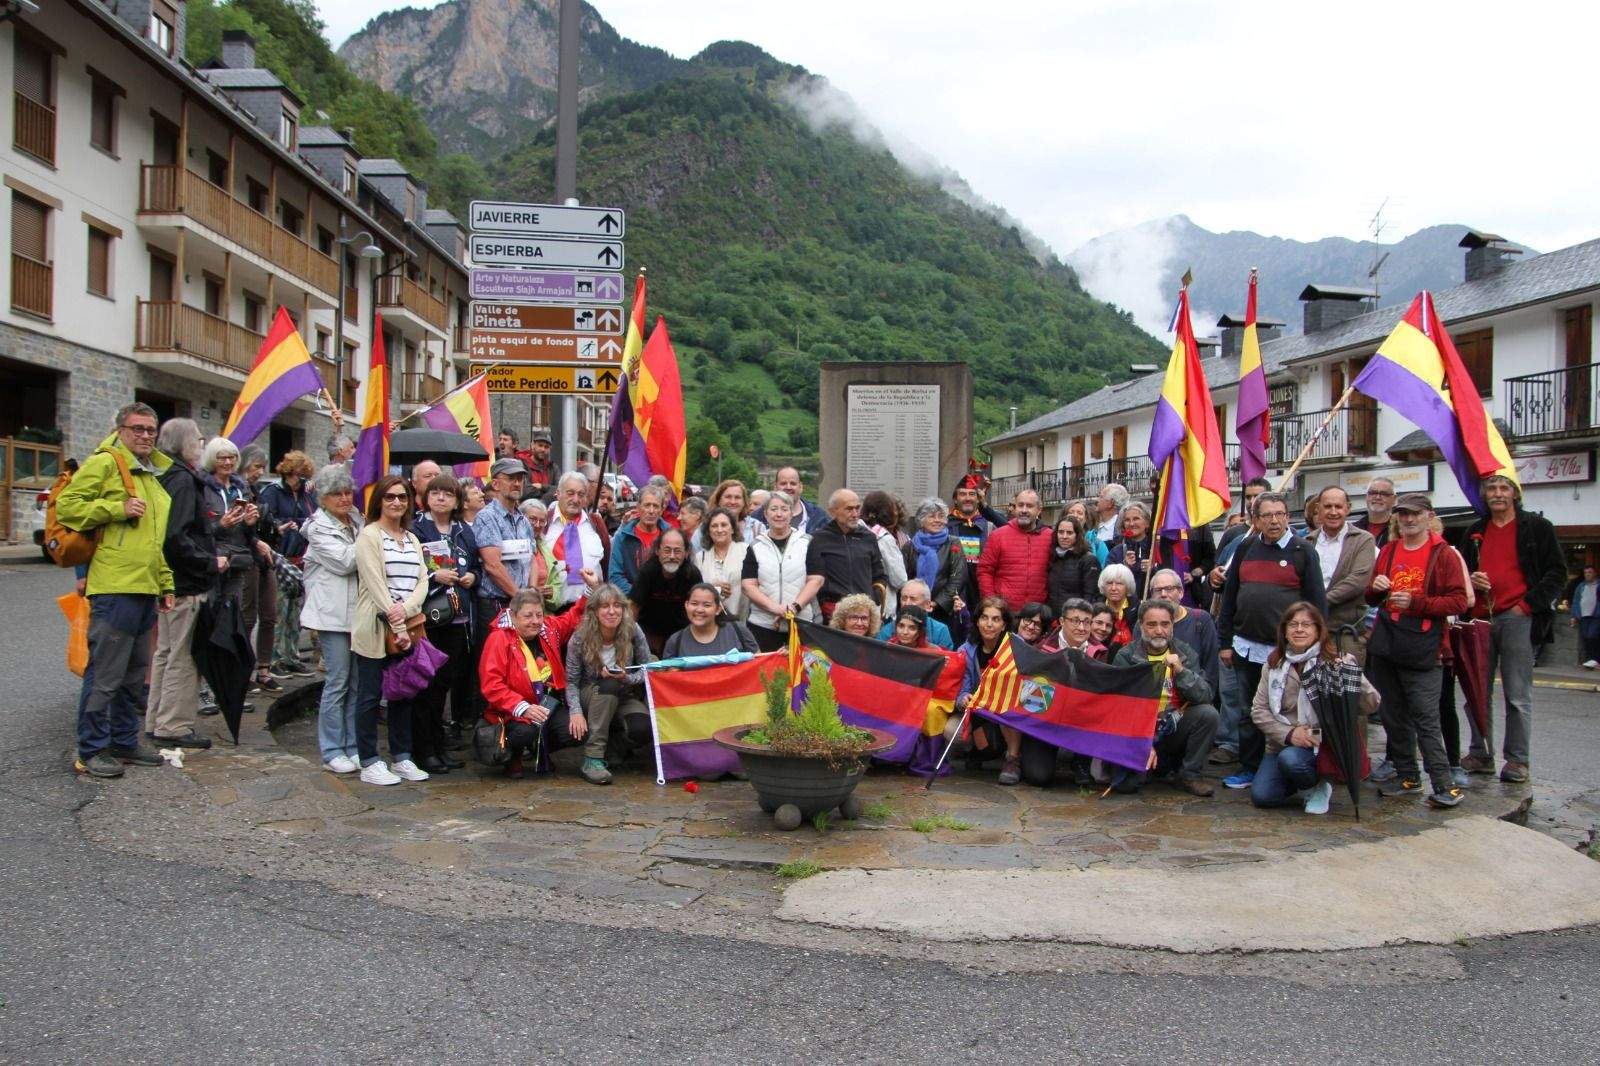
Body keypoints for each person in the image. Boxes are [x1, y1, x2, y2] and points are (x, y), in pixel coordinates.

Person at [59, 402, 174, 778]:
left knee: (132, 675)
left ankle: (124, 742)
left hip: (142, 588)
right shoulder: (107, 462)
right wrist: (116, 508)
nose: (145, 435)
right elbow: (68, 506)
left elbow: (152, 541)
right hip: (114, 587)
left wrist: (165, 583)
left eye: (150, 430)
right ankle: (90, 750)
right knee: (106, 675)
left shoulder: (149, 473)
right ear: (121, 430)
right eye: (137, 429)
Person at [1364, 492, 1469, 807]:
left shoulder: (1443, 553)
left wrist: (1417, 603)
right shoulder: (1389, 551)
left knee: (1425, 718)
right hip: (1388, 641)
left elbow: (1459, 601)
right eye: (1403, 514)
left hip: (1424, 644)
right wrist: (1375, 590)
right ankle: (1408, 778)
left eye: (1414, 514)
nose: (1408, 519)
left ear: (1428, 516)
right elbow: (1370, 597)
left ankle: (1444, 785)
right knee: (1392, 715)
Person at [1459, 474, 1566, 784]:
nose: (1497, 493)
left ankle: (1518, 760)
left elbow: (1557, 572)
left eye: (1504, 488)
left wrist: (1527, 605)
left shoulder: (1536, 527)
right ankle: (1481, 753)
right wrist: (1472, 581)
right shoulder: (1475, 530)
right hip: (1479, 618)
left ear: (1515, 494)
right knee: (1475, 691)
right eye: (1491, 488)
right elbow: (1461, 574)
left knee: (1517, 693)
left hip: (1517, 617)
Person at [1217, 491, 1326, 790]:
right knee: (1247, 711)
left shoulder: (1303, 551)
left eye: (1279, 514)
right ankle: (1250, 767)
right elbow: (1230, 597)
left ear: (1287, 516)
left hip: (1287, 652)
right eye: (1267, 515)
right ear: (1257, 519)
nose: (1274, 520)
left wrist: (1317, 646)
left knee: (1287, 708)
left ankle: (1290, 763)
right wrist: (1225, 641)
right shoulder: (1246, 547)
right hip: (1245, 647)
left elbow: (1316, 603)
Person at [1250, 602, 1379, 813]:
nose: (1299, 629)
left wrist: (1351, 675)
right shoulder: (1274, 664)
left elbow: (1372, 704)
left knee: (1291, 760)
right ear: (1284, 631)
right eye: (1293, 625)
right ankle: (1301, 780)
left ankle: (1319, 784)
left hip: (1322, 740)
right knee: (1264, 796)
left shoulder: (1336, 661)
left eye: (1306, 625)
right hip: (1282, 742)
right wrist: (1290, 734)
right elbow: (1259, 711)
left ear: (1318, 630)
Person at [350, 474, 432, 786]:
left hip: (407, 627)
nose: (396, 502)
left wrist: (407, 611)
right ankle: (369, 759)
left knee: (403, 693)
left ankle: (401, 756)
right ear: (379, 501)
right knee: (370, 695)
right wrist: (395, 619)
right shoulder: (369, 536)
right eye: (390, 497)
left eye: (402, 497)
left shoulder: (411, 539)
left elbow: (423, 580)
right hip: (375, 626)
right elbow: (374, 583)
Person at [145, 419, 215, 751]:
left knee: (165, 652)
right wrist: (209, 560)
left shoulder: (165, 475)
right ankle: (173, 725)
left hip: (169, 580)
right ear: (186, 443)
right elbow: (177, 535)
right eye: (199, 440)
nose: (202, 445)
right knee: (183, 655)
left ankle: (156, 719)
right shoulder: (185, 480)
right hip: (185, 581)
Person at [478, 585, 592, 778]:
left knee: (577, 731)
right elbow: (492, 685)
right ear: (513, 616)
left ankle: (539, 749)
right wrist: (523, 707)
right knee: (525, 731)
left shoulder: (548, 629)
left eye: (539, 615)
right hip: (510, 713)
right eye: (528, 616)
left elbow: (572, 618)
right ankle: (513, 754)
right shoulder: (499, 638)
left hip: (548, 704)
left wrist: (590, 589)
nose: (535, 621)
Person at [411, 471, 481, 775]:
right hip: (429, 617)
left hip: (458, 618)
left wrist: (472, 577)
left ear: (456, 501)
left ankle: (439, 748)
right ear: (427, 497)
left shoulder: (464, 531)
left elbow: (476, 566)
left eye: (448, 494)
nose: (441, 498)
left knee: (445, 685)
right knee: (426, 686)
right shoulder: (417, 529)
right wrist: (432, 576)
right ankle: (423, 749)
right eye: (436, 493)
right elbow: (407, 570)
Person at [1112, 600, 1218, 797]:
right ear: (1141, 626)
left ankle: (1190, 775)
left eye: (1165, 624)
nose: (1159, 630)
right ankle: (1150, 765)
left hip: (1173, 725)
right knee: (1126, 786)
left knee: (1208, 714)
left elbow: (1205, 695)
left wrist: (1181, 671)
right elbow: (1119, 708)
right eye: (1152, 625)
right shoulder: (1126, 656)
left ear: (1172, 626)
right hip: (1138, 730)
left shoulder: (1185, 653)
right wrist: (1143, 741)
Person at [300, 465, 363, 774]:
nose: (343, 498)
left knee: (355, 682)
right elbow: (345, 562)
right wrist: (372, 544)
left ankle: (352, 745)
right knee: (337, 681)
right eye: (336, 494)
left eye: (347, 492)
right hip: (332, 614)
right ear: (323, 498)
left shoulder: (357, 520)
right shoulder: (317, 527)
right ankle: (331, 748)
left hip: (358, 614)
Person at [564, 584, 654, 784]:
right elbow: (571, 682)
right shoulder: (580, 637)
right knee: (608, 686)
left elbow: (648, 669)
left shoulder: (632, 630)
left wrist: (627, 678)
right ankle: (592, 758)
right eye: (605, 606)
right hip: (591, 693)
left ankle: (613, 748)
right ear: (594, 611)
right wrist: (575, 712)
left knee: (642, 728)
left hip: (624, 693)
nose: (612, 611)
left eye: (617, 606)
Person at [742, 490, 823, 652]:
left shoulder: (807, 542)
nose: (779, 514)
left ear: (792, 513)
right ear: (765, 514)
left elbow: (816, 580)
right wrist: (776, 608)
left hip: (801, 624)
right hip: (762, 625)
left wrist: (794, 607)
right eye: (773, 509)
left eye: (784, 509)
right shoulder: (755, 545)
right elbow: (748, 585)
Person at [259, 451, 316, 678]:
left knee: (296, 613)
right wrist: (281, 526)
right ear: (288, 473)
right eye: (296, 476)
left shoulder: (306, 494)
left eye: (302, 477)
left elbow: (314, 517)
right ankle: (273, 659)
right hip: (279, 558)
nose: (299, 481)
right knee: (278, 613)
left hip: (300, 558)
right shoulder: (272, 492)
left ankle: (291, 657)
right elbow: (265, 521)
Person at [473, 458, 537, 661]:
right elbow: (492, 565)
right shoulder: (487, 517)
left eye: (520, 478)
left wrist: (532, 592)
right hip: (495, 605)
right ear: (496, 483)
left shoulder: (523, 520)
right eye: (511, 478)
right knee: (495, 663)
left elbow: (532, 558)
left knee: (520, 662)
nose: (517, 483)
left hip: (520, 603)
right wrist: (520, 597)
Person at [954, 597, 1022, 784]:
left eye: (996, 619)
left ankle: (1012, 759)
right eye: (984, 618)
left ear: (1004, 624)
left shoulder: (1016, 647)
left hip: (1009, 709)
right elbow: (962, 689)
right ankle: (979, 752)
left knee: (1005, 706)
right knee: (953, 733)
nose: (989, 624)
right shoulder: (967, 650)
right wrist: (963, 698)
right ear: (977, 621)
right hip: (980, 711)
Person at [1310, 487, 1376, 658]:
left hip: (1345, 632)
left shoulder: (1363, 540)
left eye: (1338, 507)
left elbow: (1357, 581)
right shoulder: (1307, 541)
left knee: (1347, 684)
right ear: (1318, 508)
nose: (1333, 512)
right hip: (1311, 630)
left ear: (1348, 508)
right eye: (1328, 506)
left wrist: (1319, 602)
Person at [806, 489, 887, 618]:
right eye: (849, 509)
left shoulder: (868, 538)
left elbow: (880, 575)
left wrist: (873, 598)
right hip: (833, 614)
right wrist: (825, 604)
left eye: (857, 508)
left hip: (864, 613)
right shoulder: (818, 539)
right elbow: (813, 578)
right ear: (833, 511)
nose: (855, 514)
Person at [238, 445, 279, 694]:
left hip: (265, 558)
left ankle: (264, 668)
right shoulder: (238, 491)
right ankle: (244, 671)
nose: (259, 472)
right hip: (248, 557)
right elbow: (238, 528)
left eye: (262, 467)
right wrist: (255, 541)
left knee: (269, 614)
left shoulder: (256, 491)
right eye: (256, 467)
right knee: (248, 614)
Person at [201, 437, 260, 608]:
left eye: (232, 457)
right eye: (222, 458)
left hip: (238, 560)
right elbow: (197, 530)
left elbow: (249, 534)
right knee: (211, 616)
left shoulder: (242, 488)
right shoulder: (202, 487)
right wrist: (221, 525)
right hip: (213, 561)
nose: (228, 462)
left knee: (233, 617)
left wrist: (250, 523)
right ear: (212, 459)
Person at [1146, 568, 1220, 702]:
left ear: (1181, 592)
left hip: (1191, 697)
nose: (1163, 594)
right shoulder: (1144, 625)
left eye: (1169, 589)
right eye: (1158, 590)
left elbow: (1210, 670)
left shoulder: (1201, 621)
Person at [976, 488, 1052, 614]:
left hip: (1038, 614)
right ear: (1015, 507)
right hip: (1004, 612)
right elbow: (985, 571)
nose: (1024, 510)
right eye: (1020, 505)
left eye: (1029, 506)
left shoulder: (1050, 537)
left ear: (1039, 510)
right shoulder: (998, 535)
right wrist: (992, 603)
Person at [630, 527, 702, 654]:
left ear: (686, 553)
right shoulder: (647, 572)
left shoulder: (692, 574)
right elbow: (633, 608)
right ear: (658, 551)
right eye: (667, 550)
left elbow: (699, 608)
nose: (672, 556)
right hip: (649, 634)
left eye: (678, 551)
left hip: (682, 635)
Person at [545, 470, 611, 608]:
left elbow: (605, 564)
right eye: (570, 493)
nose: (575, 499)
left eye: (581, 494)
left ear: (586, 498)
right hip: (552, 610)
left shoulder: (596, 524)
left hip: (589, 607)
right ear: (558, 493)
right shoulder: (545, 522)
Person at [903, 498, 968, 635]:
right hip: (913, 608)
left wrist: (936, 603)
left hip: (943, 611)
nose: (937, 520)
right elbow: (905, 577)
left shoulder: (953, 543)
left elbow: (958, 577)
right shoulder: (910, 546)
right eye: (932, 516)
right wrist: (913, 601)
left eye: (941, 516)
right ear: (921, 520)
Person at [663, 582, 760, 658]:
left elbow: (759, 667)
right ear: (686, 605)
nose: (699, 610)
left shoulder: (738, 631)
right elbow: (666, 678)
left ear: (718, 609)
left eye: (707, 605)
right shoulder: (675, 641)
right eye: (694, 603)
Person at [608, 483, 668, 595]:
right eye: (647, 505)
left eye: (655, 506)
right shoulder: (623, 537)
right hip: (630, 603)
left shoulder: (671, 536)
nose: (651, 511)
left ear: (661, 510)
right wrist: (638, 595)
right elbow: (615, 576)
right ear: (638, 507)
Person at [694, 507, 749, 622]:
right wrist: (711, 588)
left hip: (740, 619)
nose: (719, 530)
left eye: (724, 525)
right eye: (714, 526)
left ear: (732, 529)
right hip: (708, 621)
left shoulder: (746, 551)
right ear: (708, 531)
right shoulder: (701, 557)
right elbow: (694, 590)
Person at [861, 490, 910, 615]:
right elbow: (899, 579)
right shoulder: (884, 539)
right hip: (880, 607)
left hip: (857, 603)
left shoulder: (855, 531)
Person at [876, 580, 955, 649]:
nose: (907, 603)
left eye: (913, 599)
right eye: (904, 598)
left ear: (927, 604)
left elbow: (946, 661)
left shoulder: (940, 631)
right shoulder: (887, 631)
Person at [1047, 513, 1101, 608]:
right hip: (1054, 617)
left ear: (1077, 535)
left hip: (1076, 618)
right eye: (1061, 532)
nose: (1064, 536)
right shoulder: (1053, 557)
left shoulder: (1088, 560)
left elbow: (1091, 595)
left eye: (1069, 533)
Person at [518, 496, 564, 608]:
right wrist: (532, 592)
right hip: (519, 610)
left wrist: (551, 594)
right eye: (532, 519)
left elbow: (557, 587)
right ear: (520, 518)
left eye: (542, 521)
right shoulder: (513, 545)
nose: (537, 525)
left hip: (543, 614)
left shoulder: (545, 549)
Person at [1107, 502, 1154, 599]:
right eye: (1127, 520)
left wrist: (1153, 569)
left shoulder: (1156, 548)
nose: (1131, 524)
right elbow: (1108, 580)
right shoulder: (1116, 552)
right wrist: (1125, 567)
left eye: (1136, 519)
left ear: (1147, 523)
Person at [766, 466, 827, 534]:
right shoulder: (758, 517)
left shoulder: (819, 517)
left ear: (800, 487)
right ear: (775, 487)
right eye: (783, 483)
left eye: (793, 483)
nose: (788, 487)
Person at [1096, 563, 1139, 654]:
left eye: (1119, 583)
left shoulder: (1139, 610)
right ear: (1103, 586)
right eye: (1109, 583)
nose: (1113, 588)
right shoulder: (1095, 610)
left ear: (1127, 586)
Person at [1352, 477, 1396, 546]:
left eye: (1384, 494)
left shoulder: (1400, 530)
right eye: (1373, 493)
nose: (1377, 497)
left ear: (1394, 499)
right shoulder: (1352, 530)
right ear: (1366, 497)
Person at [1571, 565, 1600, 668]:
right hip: (1583, 615)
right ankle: (1591, 660)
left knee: (1593, 636)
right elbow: (1576, 600)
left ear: (1595, 573)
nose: (1587, 574)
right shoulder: (1581, 586)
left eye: (1590, 572)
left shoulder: (1598, 585)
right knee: (1586, 637)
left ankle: (1595, 659)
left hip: (1596, 615)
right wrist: (1574, 615)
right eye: (1586, 572)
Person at [1093, 483, 1129, 549]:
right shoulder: (1093, 526)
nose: (1096, 500)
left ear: (1110, 503)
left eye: (1101, 497)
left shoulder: (1122, 528)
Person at [523, 429, 558, 494]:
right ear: (532, 445)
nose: (543, 449)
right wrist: (548, 491)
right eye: (540, 445)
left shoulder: (553, 467)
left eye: (546, 447)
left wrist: (542, 486)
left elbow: (559, 489)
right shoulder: (523, 465)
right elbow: (524, 490)